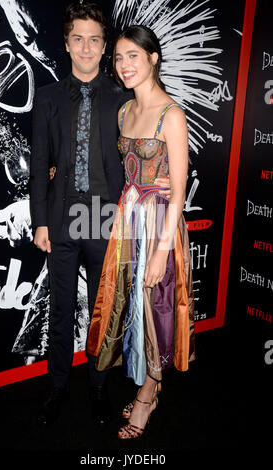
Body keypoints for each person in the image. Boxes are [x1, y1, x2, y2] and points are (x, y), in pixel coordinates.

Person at [30, 2, 170, 427]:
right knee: (60, 308)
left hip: (108, 218)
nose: (87, 48)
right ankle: (57, 387)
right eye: (78, 39)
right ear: (67, 45)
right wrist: (40, 220)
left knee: (104, 310)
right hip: (61, 216)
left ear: (103, 44)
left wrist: (157, 183)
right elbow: (39, 164)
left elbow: (146, 145)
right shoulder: (50, 96)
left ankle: (97, 386)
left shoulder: (123, 99)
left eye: (95, 40)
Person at [87, 25, 195, 439]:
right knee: (131, 305)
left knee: (155, 310)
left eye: (133, 55)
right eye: (118, 57)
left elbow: (179, 193)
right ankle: (146, 380)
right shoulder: (124, 112)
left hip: (159, 225)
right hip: (128, 219)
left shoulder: (173, 115)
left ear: (153, 58)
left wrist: (160, 252)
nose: (124, 64)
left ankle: (149, 394)